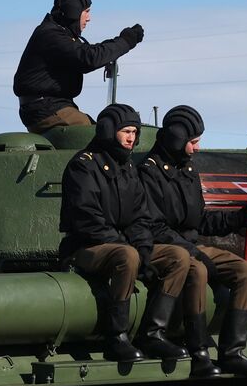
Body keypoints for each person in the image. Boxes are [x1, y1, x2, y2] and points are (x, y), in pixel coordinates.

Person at [139, 106, 247, 377]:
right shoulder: (149, 173)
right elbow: (153, 226)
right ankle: (200, 353)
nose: (197, 148)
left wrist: (237, 220)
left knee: (246, 271)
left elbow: (198, 220)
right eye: (194, 141)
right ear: (177, 138)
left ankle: (232, 353)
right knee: (196, 269)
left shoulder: (186, 170)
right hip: (165, 248)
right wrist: (192, 252)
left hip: (190, 246)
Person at [60, 103, 193, 364]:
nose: (131, 137)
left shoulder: (128, 168)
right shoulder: (84, 166)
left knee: (177, 256)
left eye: (135, 132)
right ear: (109, 131)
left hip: (124, 245)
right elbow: (87, 220)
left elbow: (140, 217)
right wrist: (128, 247)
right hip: (85, 247)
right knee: (126, 255)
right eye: (126, 131)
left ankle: (153, 333)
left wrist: (144, 250)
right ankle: (116, 337)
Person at [12, 0, 145, 134]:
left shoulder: (58, 33)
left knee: (103, 132)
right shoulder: (51, 35)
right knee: (99, 136)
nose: (89, 18)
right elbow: (89, 57)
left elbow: (90, 52)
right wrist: (126, 41)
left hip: (51, 107)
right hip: (46, 109)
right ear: (73, 12)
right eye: (86, 12)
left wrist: (117, 44)